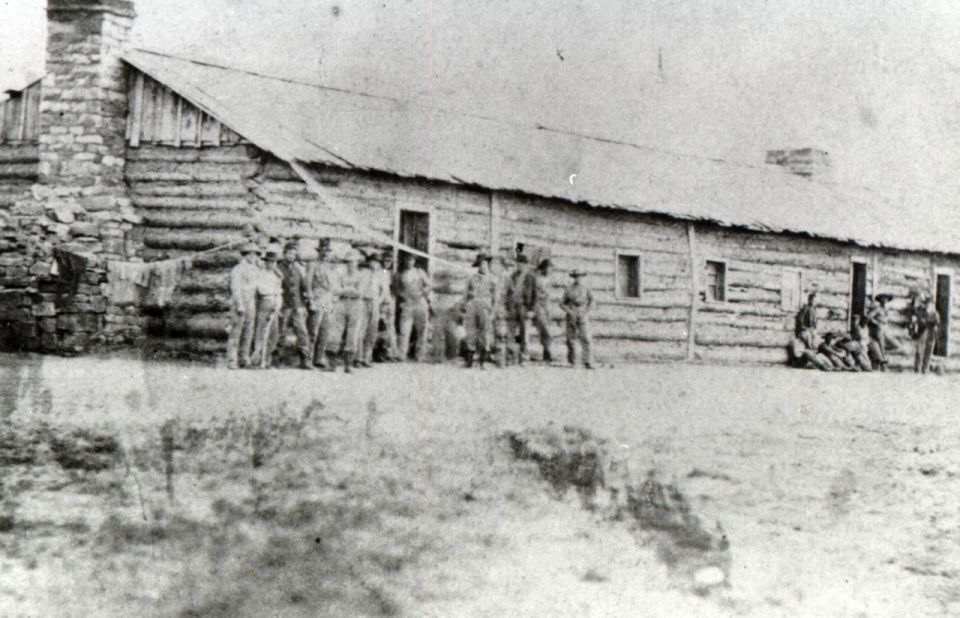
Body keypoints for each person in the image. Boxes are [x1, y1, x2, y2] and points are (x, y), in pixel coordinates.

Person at [276, 241, 313, 369]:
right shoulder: (278, 268)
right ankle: (279, 359)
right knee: (281, 332)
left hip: (297, 305)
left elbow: (302, 288)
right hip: (284, 305)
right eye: (289, 253)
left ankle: (305, 359)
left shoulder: (297, 269)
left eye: (293, 253)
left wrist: (303, 305)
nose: (291, 255)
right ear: (284, 254)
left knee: (302, 332)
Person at [226, 242, 261, 369]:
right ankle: (231, 360)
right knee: (236, 332)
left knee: (248, 331)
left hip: (251, 303)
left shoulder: (256, 269)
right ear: (245, 255)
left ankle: (244, 358)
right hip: (240, 302)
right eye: (250, 254)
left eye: (255, 254)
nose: (253, 257)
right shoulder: (238, 269)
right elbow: (235, 288)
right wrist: (239, 304)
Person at [250, 244, 284, 369]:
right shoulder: (261, 274)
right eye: (270, 262)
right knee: (262, 331)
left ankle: (267, 359)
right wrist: (275, 292)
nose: (273, 264)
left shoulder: (276, 276)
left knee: (273, 333)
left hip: (275, 304)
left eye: (275, 262)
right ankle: (258, 359)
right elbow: (262, 290)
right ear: (266, 262)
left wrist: (278, 303)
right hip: (265, 302)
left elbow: (280, 291)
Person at [463, 251, 498, 368]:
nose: (482, 266)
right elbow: (465, 294)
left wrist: (493, 312)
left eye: (484, 264)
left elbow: (496, 298)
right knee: (471, 332)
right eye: (480, 264)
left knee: (485, 333)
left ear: (488, 264)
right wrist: (465, 305)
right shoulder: (472, 278)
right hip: (472, 306)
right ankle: (470, 360)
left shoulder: (493, 279)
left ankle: (483, 360)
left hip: (486, 307)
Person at [397, 253, 432, 362]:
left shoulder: (419, 272)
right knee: (404, 329)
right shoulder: (401, 274)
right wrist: (404, 295)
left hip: (420, 302)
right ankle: (402, 355)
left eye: (411, 260)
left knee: (422, 329)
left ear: (414, 261)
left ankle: (420, 355)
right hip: (408, 303)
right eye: (407, 260)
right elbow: (398, 290)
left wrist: (422, 292)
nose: (409, 262)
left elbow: (429, 285)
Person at [306, 239, 335, 369]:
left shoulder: (330, 266)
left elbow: (332, 285)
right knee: (313, 330)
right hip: (317, 299)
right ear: (319, 252)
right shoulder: (312, 265)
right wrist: (311, 300)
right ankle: (308, 358)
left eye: (327, 251)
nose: (325, 253)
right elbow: (307, 284)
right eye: (322, 251)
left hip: (327, 300)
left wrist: (333, 299)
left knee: (325, 330)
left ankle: (319, 357)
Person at [358, 253, 390, 368]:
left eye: (377, 262)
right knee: (361, 330)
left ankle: (367, 358)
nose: (374, 264)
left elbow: (384, 291)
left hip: (375, 302)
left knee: (372, 331)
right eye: (372, 261)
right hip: (363, 302)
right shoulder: (362, 273)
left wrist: (379, 301)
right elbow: (358, 287)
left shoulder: (382, 275)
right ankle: (358, 358)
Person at [335, 249, 365, 373]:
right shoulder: (341, 275)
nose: (350, 264)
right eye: (348, 262)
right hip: (342, 303)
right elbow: (336, 290)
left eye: (353, 262)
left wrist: (345, 290)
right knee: (336, 330)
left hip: (355, 305)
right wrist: (349, 290)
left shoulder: (361, 276)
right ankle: (332, 363)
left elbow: (359, 293)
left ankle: (348, 364)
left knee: (353, 334)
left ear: (357, 262)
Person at [561, 269, 594, 369]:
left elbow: (592, 302)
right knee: (571, 339)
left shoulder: (587, 289)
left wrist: (585, 311)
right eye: (576, 276)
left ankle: (587, 361)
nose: (578, 278)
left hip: (583, 314)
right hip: (571, 314)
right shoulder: (569, 289)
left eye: (580, 276)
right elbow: (562, 303)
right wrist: (569, 311)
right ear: (573, 278)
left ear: (582, 277)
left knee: (586, 338)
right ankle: (572, 361)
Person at [506, 253, 532, 364]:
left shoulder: (530, 277)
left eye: (522, 264)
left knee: (524, 332)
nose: (519, 266)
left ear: (526, 265)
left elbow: (534, 295)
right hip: (513, 307)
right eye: (518, 264)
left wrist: (531, 310)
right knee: (511, 332)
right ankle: (511, 356)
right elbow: (508, 292)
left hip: (524, 307)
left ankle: (524, 357)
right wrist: (508, 306)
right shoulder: (513, 276)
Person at [528, 258, 554, 362]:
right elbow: (536, 294)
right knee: (546, 329)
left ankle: (546, 352)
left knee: (546, 328)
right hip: (538, 306)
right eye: (547, 268)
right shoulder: (537, 279)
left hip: (547, 306)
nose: (549, 270)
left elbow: (549, 294)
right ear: (542, 269)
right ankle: (548, 351)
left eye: (550, 268)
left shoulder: (550, 279)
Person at [866, 293, 897, 371]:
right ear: (880, 300)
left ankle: (879, 356)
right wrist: (876, 323)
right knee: (881, 347)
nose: (885, 300)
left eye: (886, 299)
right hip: (879, 329)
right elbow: (868, 317)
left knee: (895, 345)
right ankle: (883, 367)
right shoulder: (878, 309)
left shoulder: (886, 310)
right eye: (883, 299)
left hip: (885, 329)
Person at [378, 252, 399, 361]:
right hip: (380, 302)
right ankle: (379, 352)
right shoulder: (379, 273)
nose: (387, 263)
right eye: (385, 261)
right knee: (381, 327)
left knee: (390, 327)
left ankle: (390, 353)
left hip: (389, 302)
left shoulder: (391, 274)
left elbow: (394, 288)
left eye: (389, 261)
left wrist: (392, 299)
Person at [912, 292, 940, 374]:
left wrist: (929, 322)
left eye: (930, 302)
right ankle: (917, 368)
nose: (929, 304)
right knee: (919, 351)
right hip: (922, 331)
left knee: (929, 351)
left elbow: (937, 321)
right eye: (927, 302)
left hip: (931, 333)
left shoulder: (934, 313)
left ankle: (925, 368)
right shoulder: (921, 312)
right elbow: (920, 321)